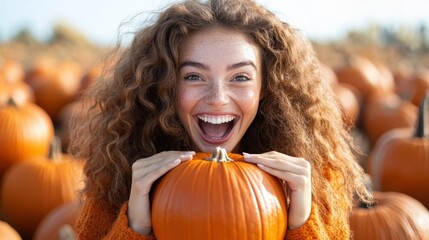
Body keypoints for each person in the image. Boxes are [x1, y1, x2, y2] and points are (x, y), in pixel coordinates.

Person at [69, 0, 373, 239]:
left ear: (266, 88)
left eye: (240, 77)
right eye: (194, 77)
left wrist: (300, 223)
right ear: (164, 86)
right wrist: (137, 226)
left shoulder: (314, 176)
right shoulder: (120, 173)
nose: (217, 97)